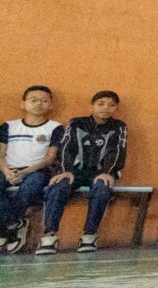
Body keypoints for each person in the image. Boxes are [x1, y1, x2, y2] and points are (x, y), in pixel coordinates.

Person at [42, 90, 127, 254]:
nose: (106, 108)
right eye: (101, 104)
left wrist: (107, 172)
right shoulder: (76, 123)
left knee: (102, 188)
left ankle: (89, 235)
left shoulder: (119, 126)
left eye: (111, 105)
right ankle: (49, 236)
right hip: (75, 171)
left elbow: (118, 150)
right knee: (58, 186)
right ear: (92, 106)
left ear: (116, 108)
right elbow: (66, 147)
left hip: (101, 172)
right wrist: (66, 170)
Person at [1, 86, 64, 255]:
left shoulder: (55, 128)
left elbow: (50, 158)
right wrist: (7, 171)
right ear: (23, 104)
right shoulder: (9, 126)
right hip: (8, 169)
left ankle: (4, 228)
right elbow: (0, 154)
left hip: (37, 171)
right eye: (33, 100)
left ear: (51, 105)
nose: (39, 104)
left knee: (29, 189)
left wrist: (26, 171)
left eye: (44, 101)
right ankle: (14, 224)